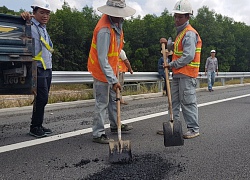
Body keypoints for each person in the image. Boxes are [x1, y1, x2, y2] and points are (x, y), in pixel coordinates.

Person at [87, 0, 136, 144]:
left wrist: (115, 76)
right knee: (102, 102)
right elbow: (102, 59)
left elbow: (115, 51)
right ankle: (98, 133)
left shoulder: (117, 25)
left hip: (112, 70)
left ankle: (116, 125)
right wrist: (113, 80)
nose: (121, 17)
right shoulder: (104, 30)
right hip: (101, 71)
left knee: (115, 100)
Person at [160, 0, 202, 139]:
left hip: (187, 74)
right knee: (173, 102)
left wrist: (171, 65)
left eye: (180, 17)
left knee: (188, 101)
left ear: (188, 17)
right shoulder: (181, 33)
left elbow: (188, 56)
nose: (177, 19)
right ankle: (173, 127)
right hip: (178, 74)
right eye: (176, 16)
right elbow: (177, 48)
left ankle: (193, 128)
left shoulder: (189, 33)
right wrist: (168, 44)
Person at [21, 0, 53, 138]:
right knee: (42, 97)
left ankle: (38, 125)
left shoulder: (43, 28)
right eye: (42, 13)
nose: (45, 16)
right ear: (34, 13)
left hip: (47, 67)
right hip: (37, 67)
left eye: (47, 13)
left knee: (43, 98)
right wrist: (25, 16)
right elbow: (22, 20)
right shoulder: (30, 24)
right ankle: (34, 127)